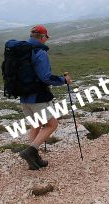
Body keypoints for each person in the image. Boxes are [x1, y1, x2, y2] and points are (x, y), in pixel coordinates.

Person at [18, 25, 72, 170]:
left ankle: (33, 159)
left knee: (36, 124)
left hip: (24, 96)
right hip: (38, 97)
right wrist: (63, 79)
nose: (46, 40)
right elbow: (45, 77)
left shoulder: (22, 51)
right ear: (42, 37)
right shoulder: (40, 53)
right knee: (52, 124)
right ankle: (31, 151)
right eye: (46, 37)